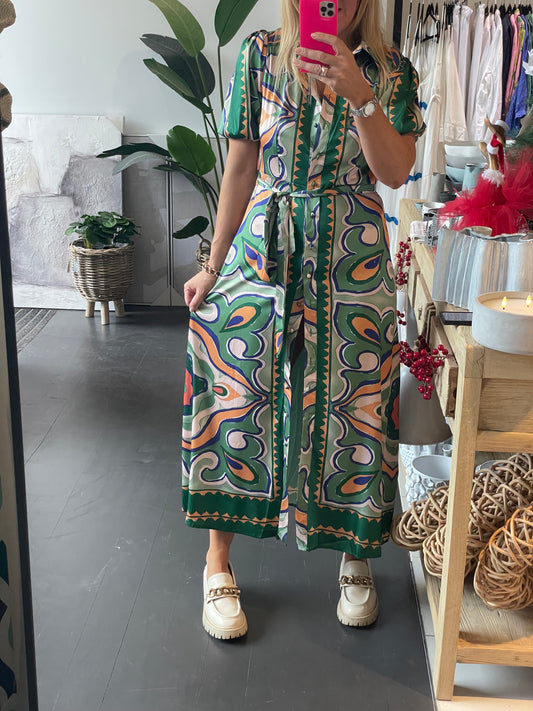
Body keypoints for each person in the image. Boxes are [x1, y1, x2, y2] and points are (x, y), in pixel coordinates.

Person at [182, 0, 424, 640]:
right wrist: (212, 265)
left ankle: (355, 556)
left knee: (358, 399)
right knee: (235, 386)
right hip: (265, 247)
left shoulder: (392, 71)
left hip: (352, 258)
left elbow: (395, 171)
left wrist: (361, 93)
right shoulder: (260, 56)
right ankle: (217, 562)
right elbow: (241, 166)